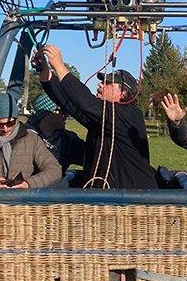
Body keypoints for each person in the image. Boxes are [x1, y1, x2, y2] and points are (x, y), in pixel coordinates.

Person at [33, 45, 157, 189]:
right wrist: (44, 72)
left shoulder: (128, 115)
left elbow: (86, 102)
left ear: (123, 93)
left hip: (134, 201)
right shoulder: (103, 118)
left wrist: (60, 66)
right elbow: (69, 103)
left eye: (108, 83)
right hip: (107, 200)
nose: (100, 84)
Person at [0, 92, 62, 189]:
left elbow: (54, 169)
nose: (5, 128)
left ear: (16, 119)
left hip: (23, 200)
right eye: (0, 124)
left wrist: (29, 184)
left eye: (10, 123)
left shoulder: (32, 139)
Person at [25, 93, 86, 174]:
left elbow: (89, 158)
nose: (67, 115)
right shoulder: (25, 136)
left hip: (57, 184)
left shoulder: (69, 139)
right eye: (63, 111)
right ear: (47, 115)